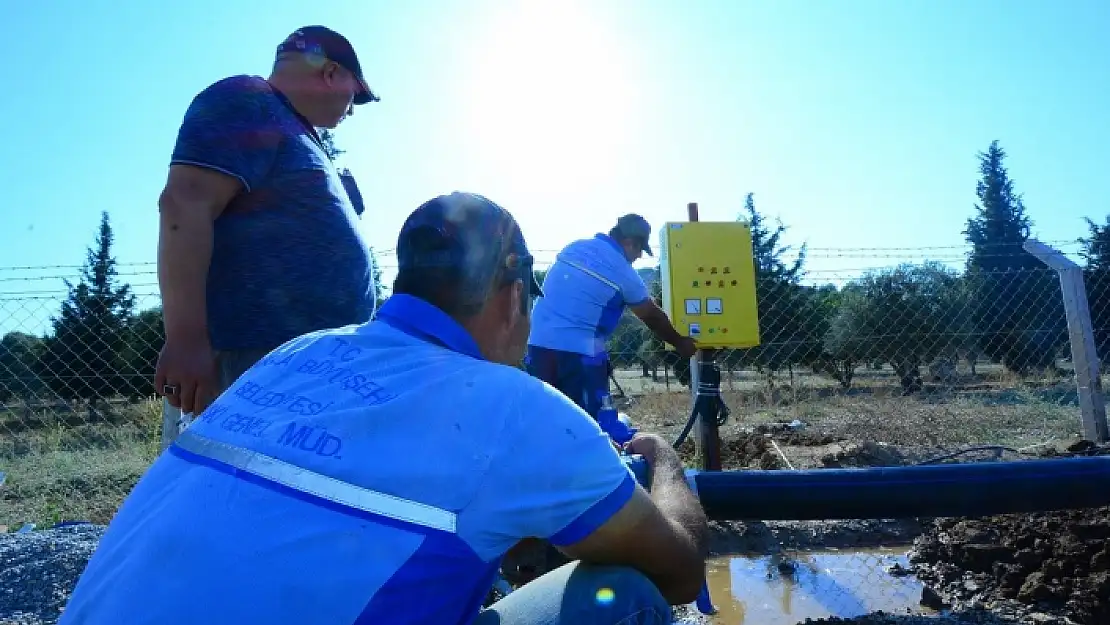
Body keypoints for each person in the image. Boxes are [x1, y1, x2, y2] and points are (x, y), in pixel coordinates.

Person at [58, 192, 710, 625]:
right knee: (624, 599)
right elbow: (679, 569)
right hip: (584, 390)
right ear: (511, 298)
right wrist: (668, 465)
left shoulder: (300, 352)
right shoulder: (517, 409)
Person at [154, 25, 380, 434]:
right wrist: (185, 338)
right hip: (253, 366)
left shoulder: (296, 133)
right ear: (331, 73)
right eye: (356, 95)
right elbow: (185, 203)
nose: (351, 110)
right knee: (231, 494)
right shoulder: (249, 101)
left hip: (305, 369)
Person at [526, 214, 698, 419]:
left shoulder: (575, 247)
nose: (638, 258)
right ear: (630, 243)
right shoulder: (623, 272)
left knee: (541, 419)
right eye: (639, 250)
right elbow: (652, 316)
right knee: (584, 423)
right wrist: (680, 342)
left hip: (536, 346)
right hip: (578, 355)